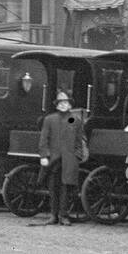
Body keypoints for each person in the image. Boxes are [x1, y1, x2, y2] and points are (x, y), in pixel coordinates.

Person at [33, 91, 88, 225]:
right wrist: (43, 155)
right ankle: (53, 216)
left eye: (66, 103)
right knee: (53, 188)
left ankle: (64, 216)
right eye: (61, 103)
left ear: (70, 105)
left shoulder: (76, 120)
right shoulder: (49, 119)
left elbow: (80, 140)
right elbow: (43, 139)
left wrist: (77, 156)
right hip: (53, 159)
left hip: (69, 160)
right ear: (57, 106)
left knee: (66, 189)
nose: (63, 105)